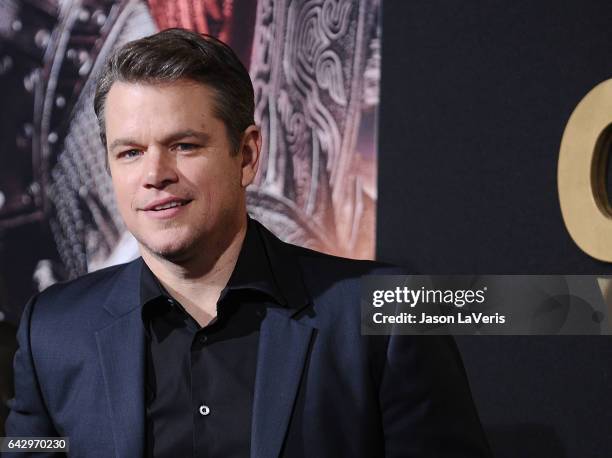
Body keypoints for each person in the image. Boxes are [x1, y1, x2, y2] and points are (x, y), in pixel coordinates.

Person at [5, 28, 491, 457]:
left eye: (184, 146)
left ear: (248, 155)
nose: (155, 175)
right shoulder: (51, 333)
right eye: (130, 152)